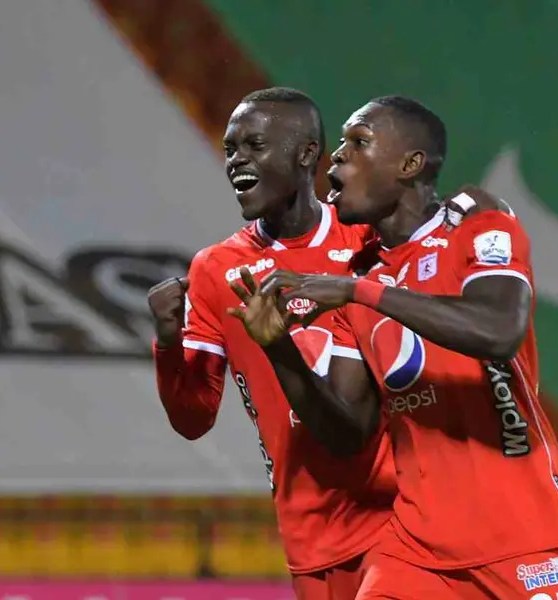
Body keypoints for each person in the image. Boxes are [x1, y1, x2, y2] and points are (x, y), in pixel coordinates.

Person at [227, 96, 558, 599]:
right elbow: (346, 433)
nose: (336, 159)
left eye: (357, 143)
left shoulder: (476, 227)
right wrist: (278, 349)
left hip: (522, 536)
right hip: (417, 548)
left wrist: (361, 293)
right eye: (337, 147)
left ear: (410, 164)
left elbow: (498, 329)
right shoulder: (358, 272)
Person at [146, 87, 394, 599]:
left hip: (395, 516)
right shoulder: (215, 270)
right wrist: (168, 343)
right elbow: (193, 419)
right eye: (230, 149)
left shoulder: (365, 240)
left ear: (306, 154)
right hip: (310, 532)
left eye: (254, 145)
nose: (237, 160)